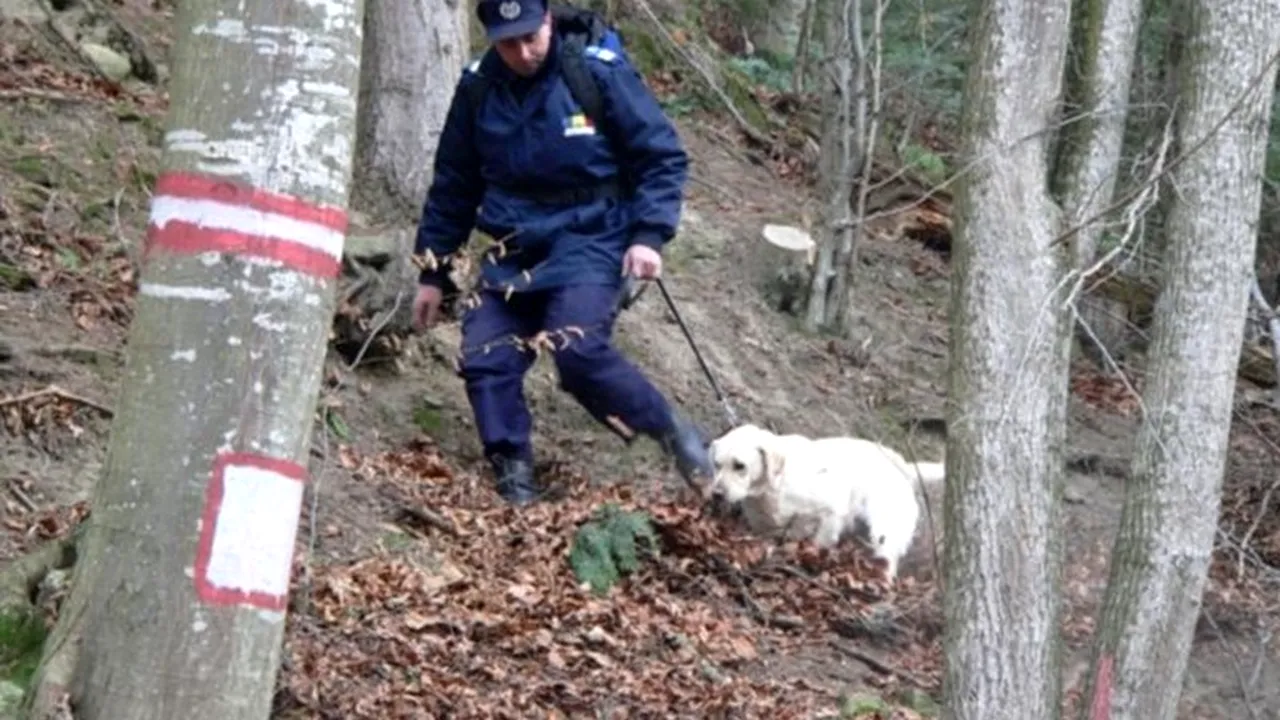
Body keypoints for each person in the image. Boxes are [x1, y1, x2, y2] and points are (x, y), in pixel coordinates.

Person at [411, 0, 714, 506]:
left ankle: (672, 432)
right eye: (509, 42)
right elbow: (454, 185)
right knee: (486, 353)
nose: (524, 52)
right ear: (491, 38)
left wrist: (649, 235)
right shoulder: (478, 89)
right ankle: (514, 476)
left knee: (576, 350)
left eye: (532, 36)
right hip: (514, 246)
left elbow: (661, 157)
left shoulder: (593, 72)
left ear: (548, 21)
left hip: (591, 236)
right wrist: (433, 271)